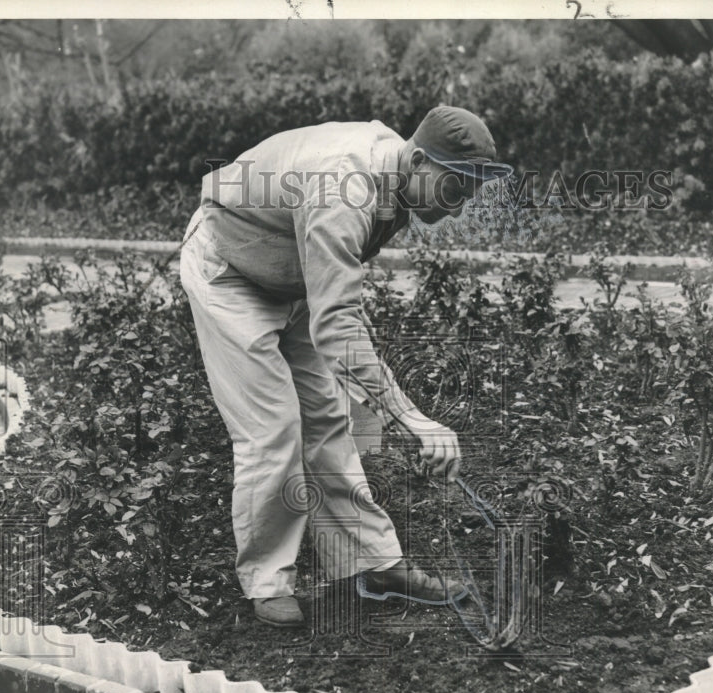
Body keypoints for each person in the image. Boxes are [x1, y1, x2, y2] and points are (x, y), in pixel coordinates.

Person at [179, 105, 512, 628]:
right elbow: (338, 329)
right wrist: (414, 420)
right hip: (231, 272)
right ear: (420, 159)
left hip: (292, 277)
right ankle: (267, 581)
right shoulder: (345, 189)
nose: (459, 206)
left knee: (329, 420)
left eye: (469, 194)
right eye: (455, 189)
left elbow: (338, 304)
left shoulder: (399, 174)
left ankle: (374, 563)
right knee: (274, 428)